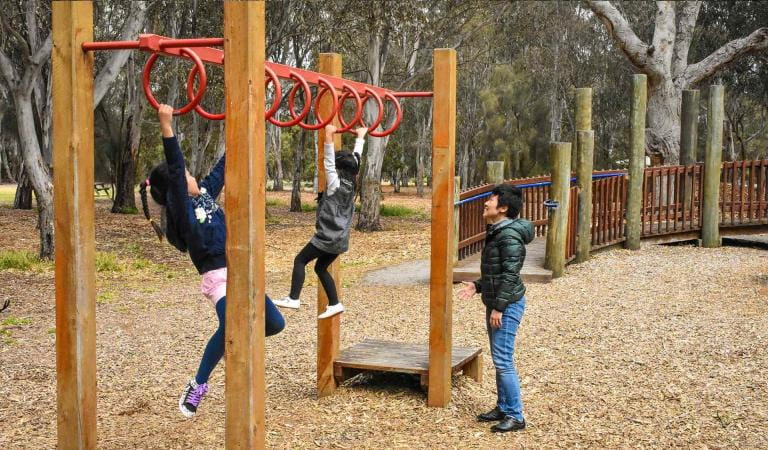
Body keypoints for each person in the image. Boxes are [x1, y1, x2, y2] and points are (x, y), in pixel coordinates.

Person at [139, 104, 285, 418]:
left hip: (240, 272)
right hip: (218, 276)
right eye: (188, 175)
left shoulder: (204, 193)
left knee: (275, 324)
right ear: (175, 190)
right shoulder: (182, 213)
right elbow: (177, 171)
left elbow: (224, 165)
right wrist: (167, 126)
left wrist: (246, 126)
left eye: (191, 174)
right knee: (232, 324)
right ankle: (198, 383)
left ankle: (230, 346)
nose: (192, 176)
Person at [457, 184, 533, 433]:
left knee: (503, 360)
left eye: (490, 200)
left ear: (503, 208)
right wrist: (478, 286)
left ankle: (515, 415)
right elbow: (498, 272)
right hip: (498, 301)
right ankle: (503, 406)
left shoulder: (508, 236)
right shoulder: (498, 231)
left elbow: (511, 275)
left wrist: (499, 307)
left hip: (506, 304)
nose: (485, 203)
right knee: (500, 359)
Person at [273, 124, 366, 319]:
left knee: (300, 260)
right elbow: (356, 159)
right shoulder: (352, 183)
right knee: (320, 267)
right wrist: (360, 138)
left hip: (326, 238)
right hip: (340, 241)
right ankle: (335, 303)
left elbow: (329, 163)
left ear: (339, 169)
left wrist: (328, 136)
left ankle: (293, 298)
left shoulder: (335, 185)